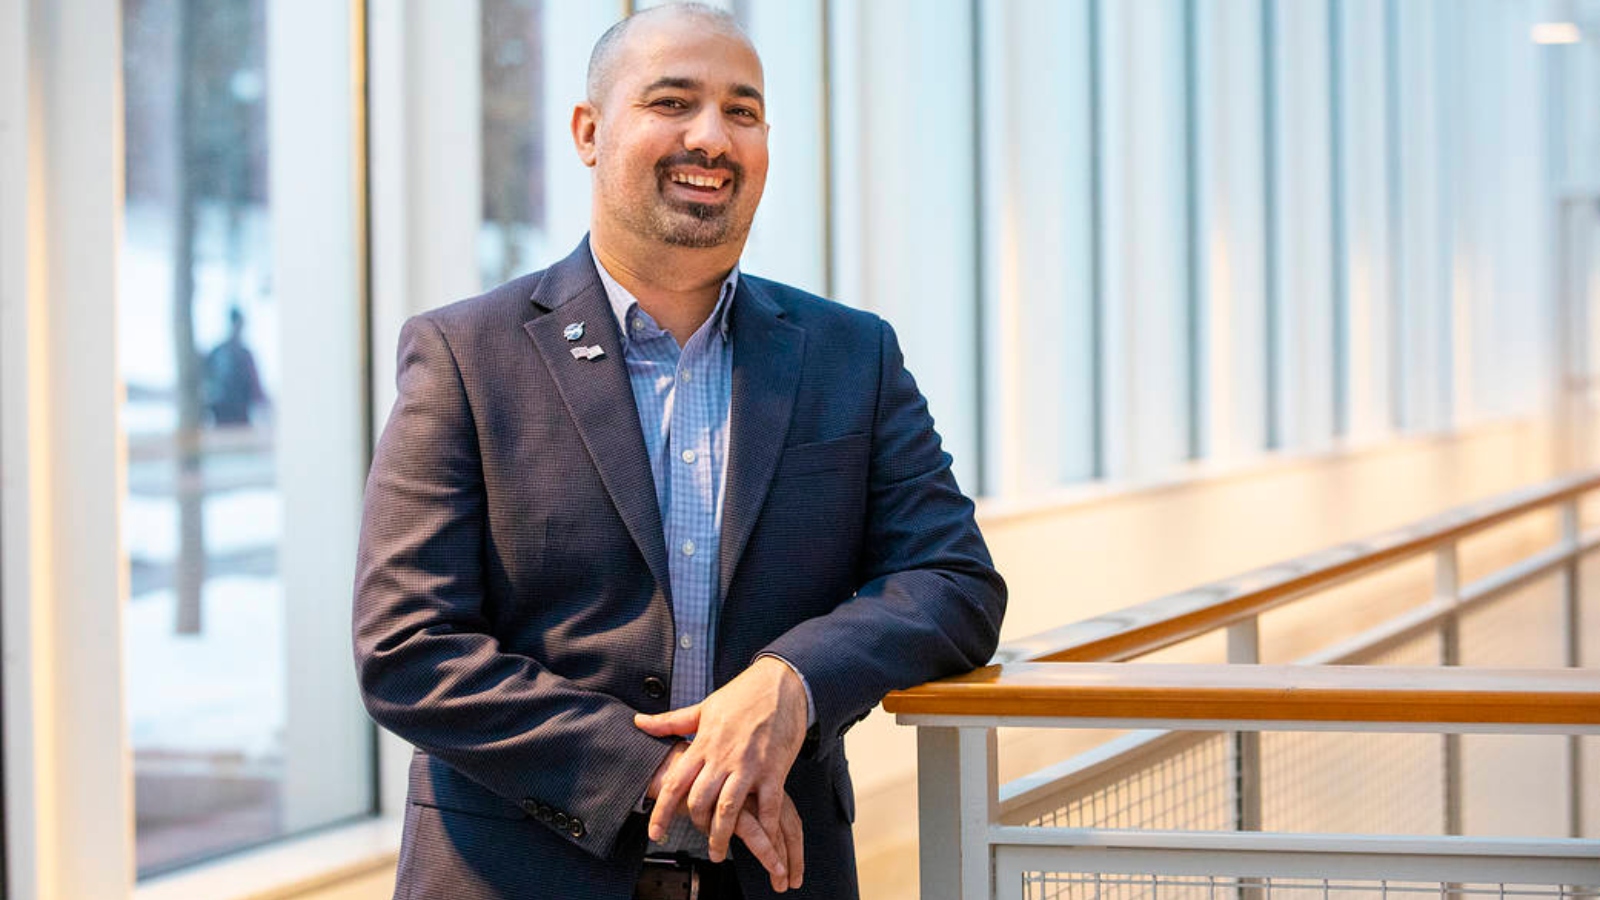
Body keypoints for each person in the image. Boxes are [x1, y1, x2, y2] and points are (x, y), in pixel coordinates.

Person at [352, 4, 1005, 898]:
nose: (712, 137)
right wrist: (657, 773)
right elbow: (408, 645)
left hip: (775, 878)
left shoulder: (853, 355)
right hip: (517, 877)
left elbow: (955, 581)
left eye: (743, 111)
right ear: (589, 131)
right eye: (672, 102)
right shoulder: (468, 354)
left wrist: (793, 680)